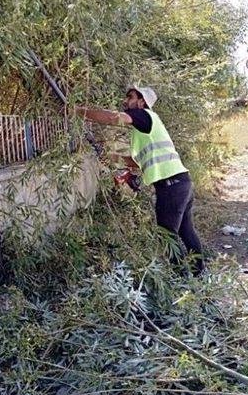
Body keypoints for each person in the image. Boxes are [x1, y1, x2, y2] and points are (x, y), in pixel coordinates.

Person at [75, 85, 205, 275]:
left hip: (171, 186)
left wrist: (79, 111)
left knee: (167, 236)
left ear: (142, 101)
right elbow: (138, 162)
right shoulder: (145, 126)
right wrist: (111, 157)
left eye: (130, 97)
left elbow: (113, 117)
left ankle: (181, 279)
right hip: (181, 183)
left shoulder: (144, 116)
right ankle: (198, 276)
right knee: (186, 231)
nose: (125, 101)